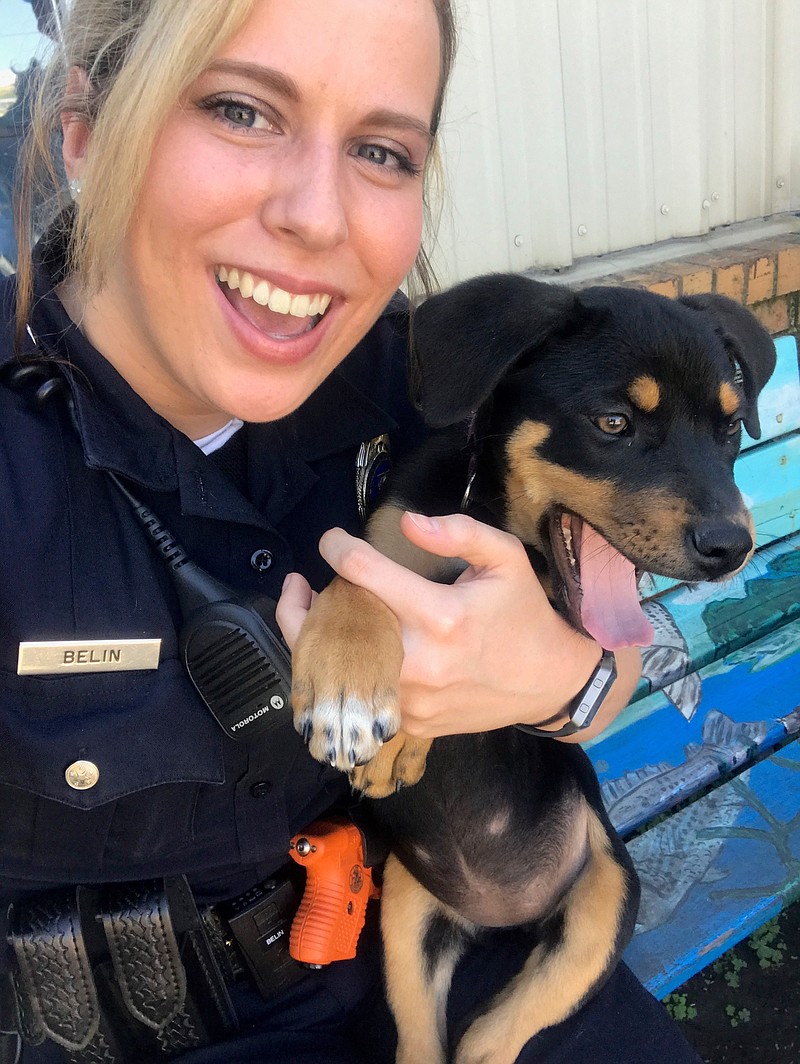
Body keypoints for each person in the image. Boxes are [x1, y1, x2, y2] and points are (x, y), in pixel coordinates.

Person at [0, 1, 703, 1061]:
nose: (317, 216)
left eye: (380, 149)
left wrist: (563, 683)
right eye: (241, 110)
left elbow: (616, 665)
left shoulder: (427, 389)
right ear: (87, 130)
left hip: (447, 957)